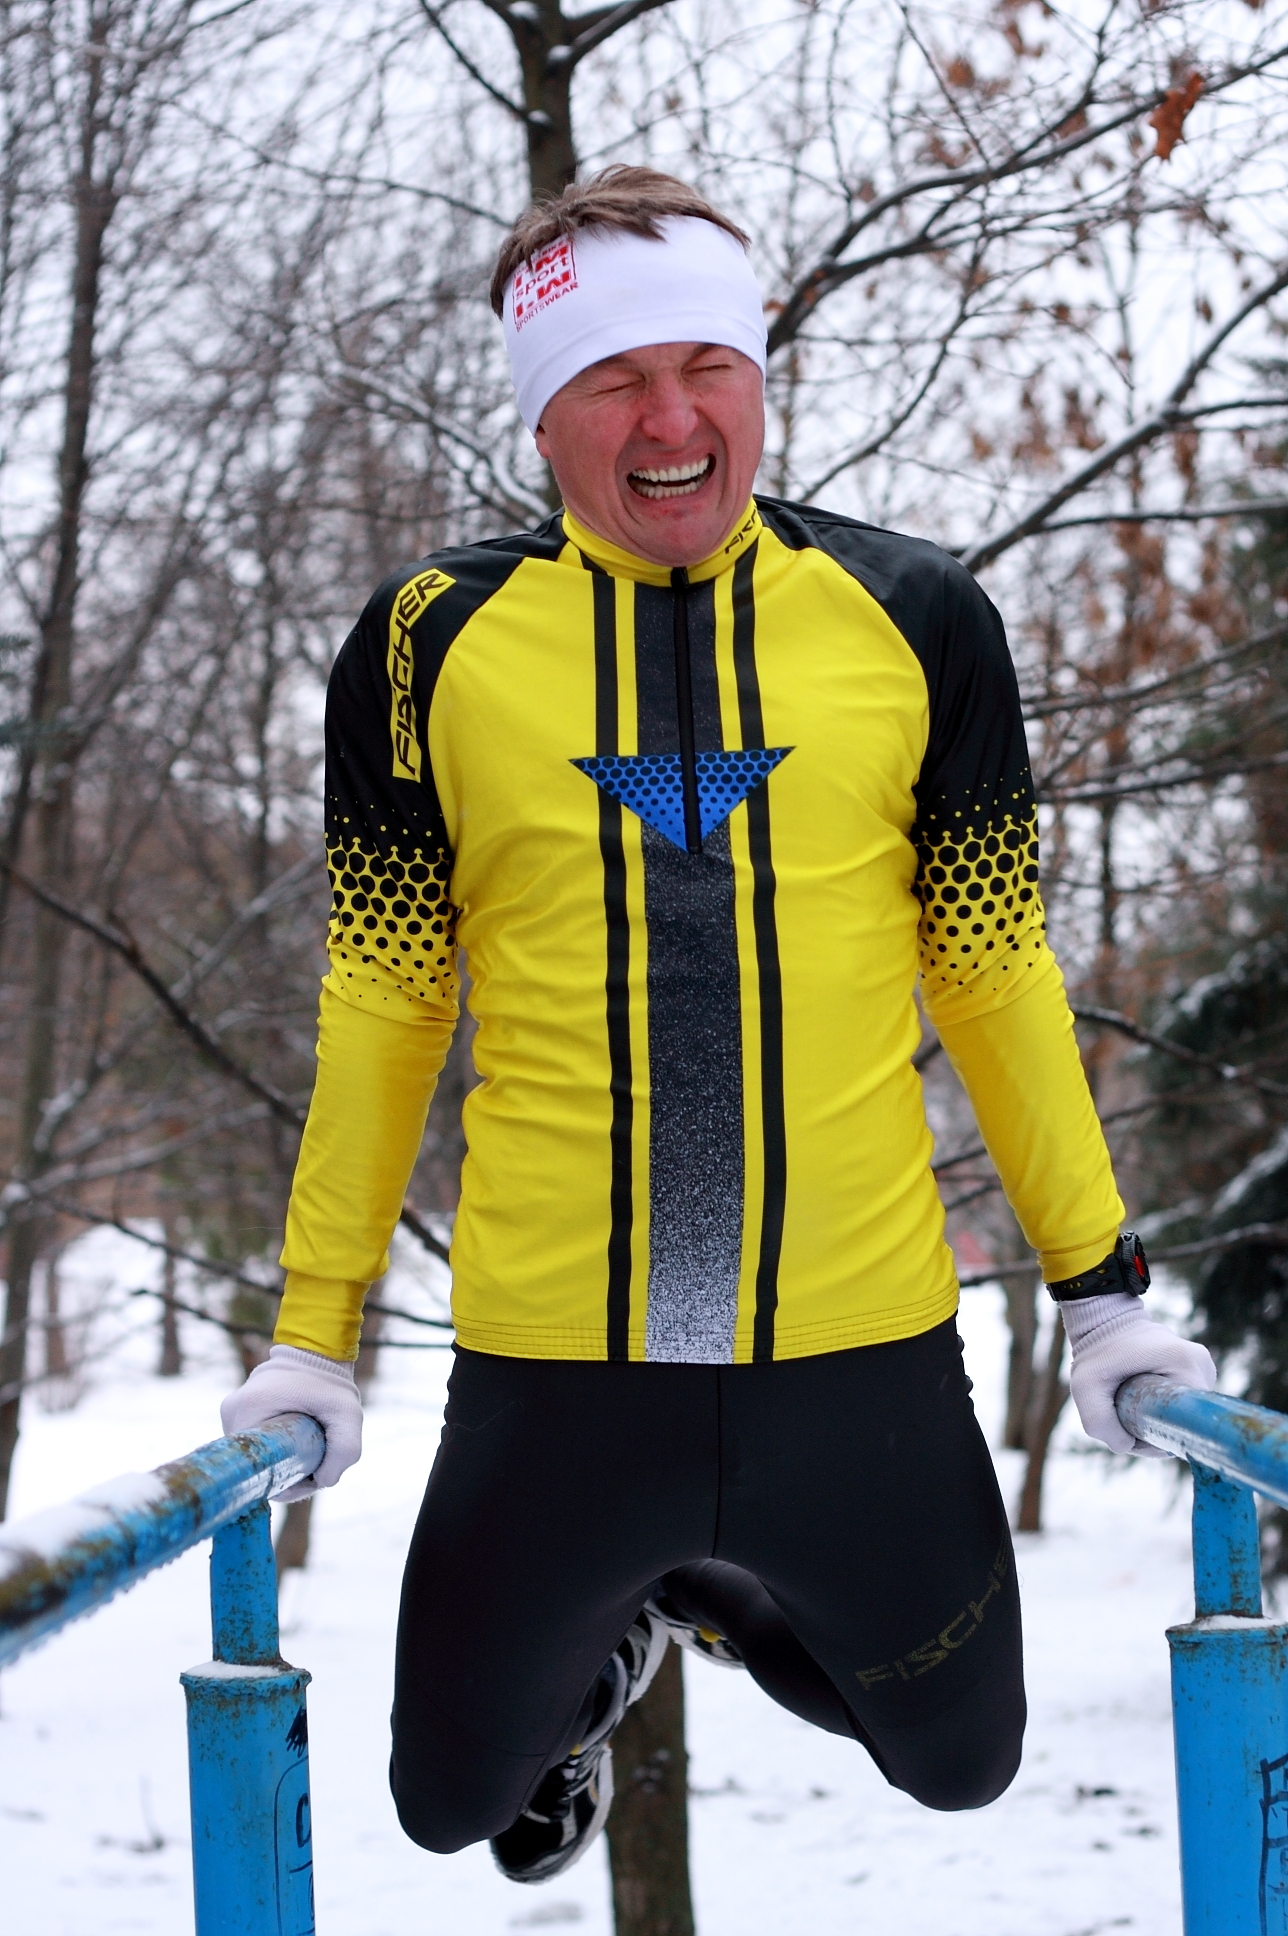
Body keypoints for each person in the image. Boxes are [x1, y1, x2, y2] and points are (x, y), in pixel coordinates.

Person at [222, 165, 1217, 1886]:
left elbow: (995, 971)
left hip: (861, 1349)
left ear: (759, 380)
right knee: (450, 1802)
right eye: (615, 377)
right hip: (558, 1360)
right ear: (545, 413)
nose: (672, 418)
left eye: (709, 367)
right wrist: (313, 1333)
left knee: (962, 1764)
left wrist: (1105, 1295)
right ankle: (608, 1650)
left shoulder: (918, 617)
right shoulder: (427, 644)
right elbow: (385, 998)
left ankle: (698, 1598)